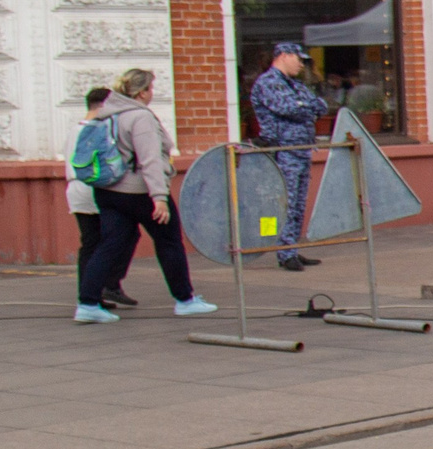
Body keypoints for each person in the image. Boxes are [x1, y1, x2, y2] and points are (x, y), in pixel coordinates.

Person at [78, 69, 215, 323]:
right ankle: (185, 300)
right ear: (141, 93)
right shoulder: (140, 117)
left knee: (109, 245)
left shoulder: (107, 113)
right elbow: (150, 159)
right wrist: (160, 197)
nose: (152, 93)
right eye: (151, 88)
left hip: (107, 190)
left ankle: (87, 304)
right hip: (139, 191)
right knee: (169, 240)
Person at [248, 41, 329, 271]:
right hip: (282, 151)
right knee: (287, 202)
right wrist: (307, 106)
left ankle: (291, 247)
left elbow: (321, 106)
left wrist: (307, 104)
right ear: (284, 56)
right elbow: (289, 109)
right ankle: (285, 253)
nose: (302, 64)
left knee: (299, 203)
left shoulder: (293, 84)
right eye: (298, 59)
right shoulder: (269, 83)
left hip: (300, 150)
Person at [69, 86, 135, 312]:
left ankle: (90, 294)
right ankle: (106, 285)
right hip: (97, 189)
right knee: (119, 237)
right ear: (104, 105)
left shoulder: (74, 129)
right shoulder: (99, 129)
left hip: (76, 190)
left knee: (90, 243)